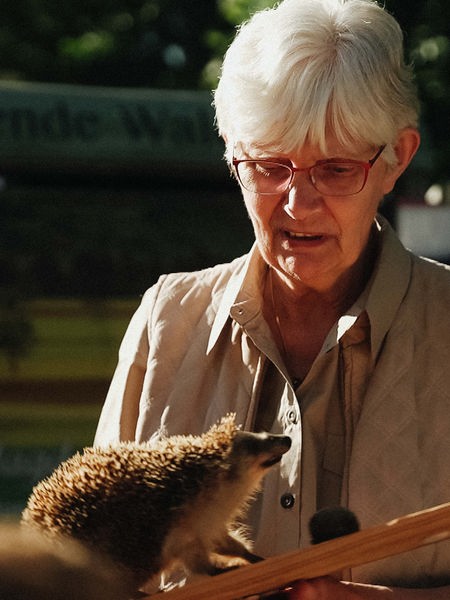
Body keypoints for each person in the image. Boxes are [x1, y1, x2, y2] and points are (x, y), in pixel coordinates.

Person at [94, 0, 450, 597]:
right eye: (269, 165)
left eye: (336, 170)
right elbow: (88, 569)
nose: (297, 204)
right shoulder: (166, 323)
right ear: (233, 156)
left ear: (397, 159)